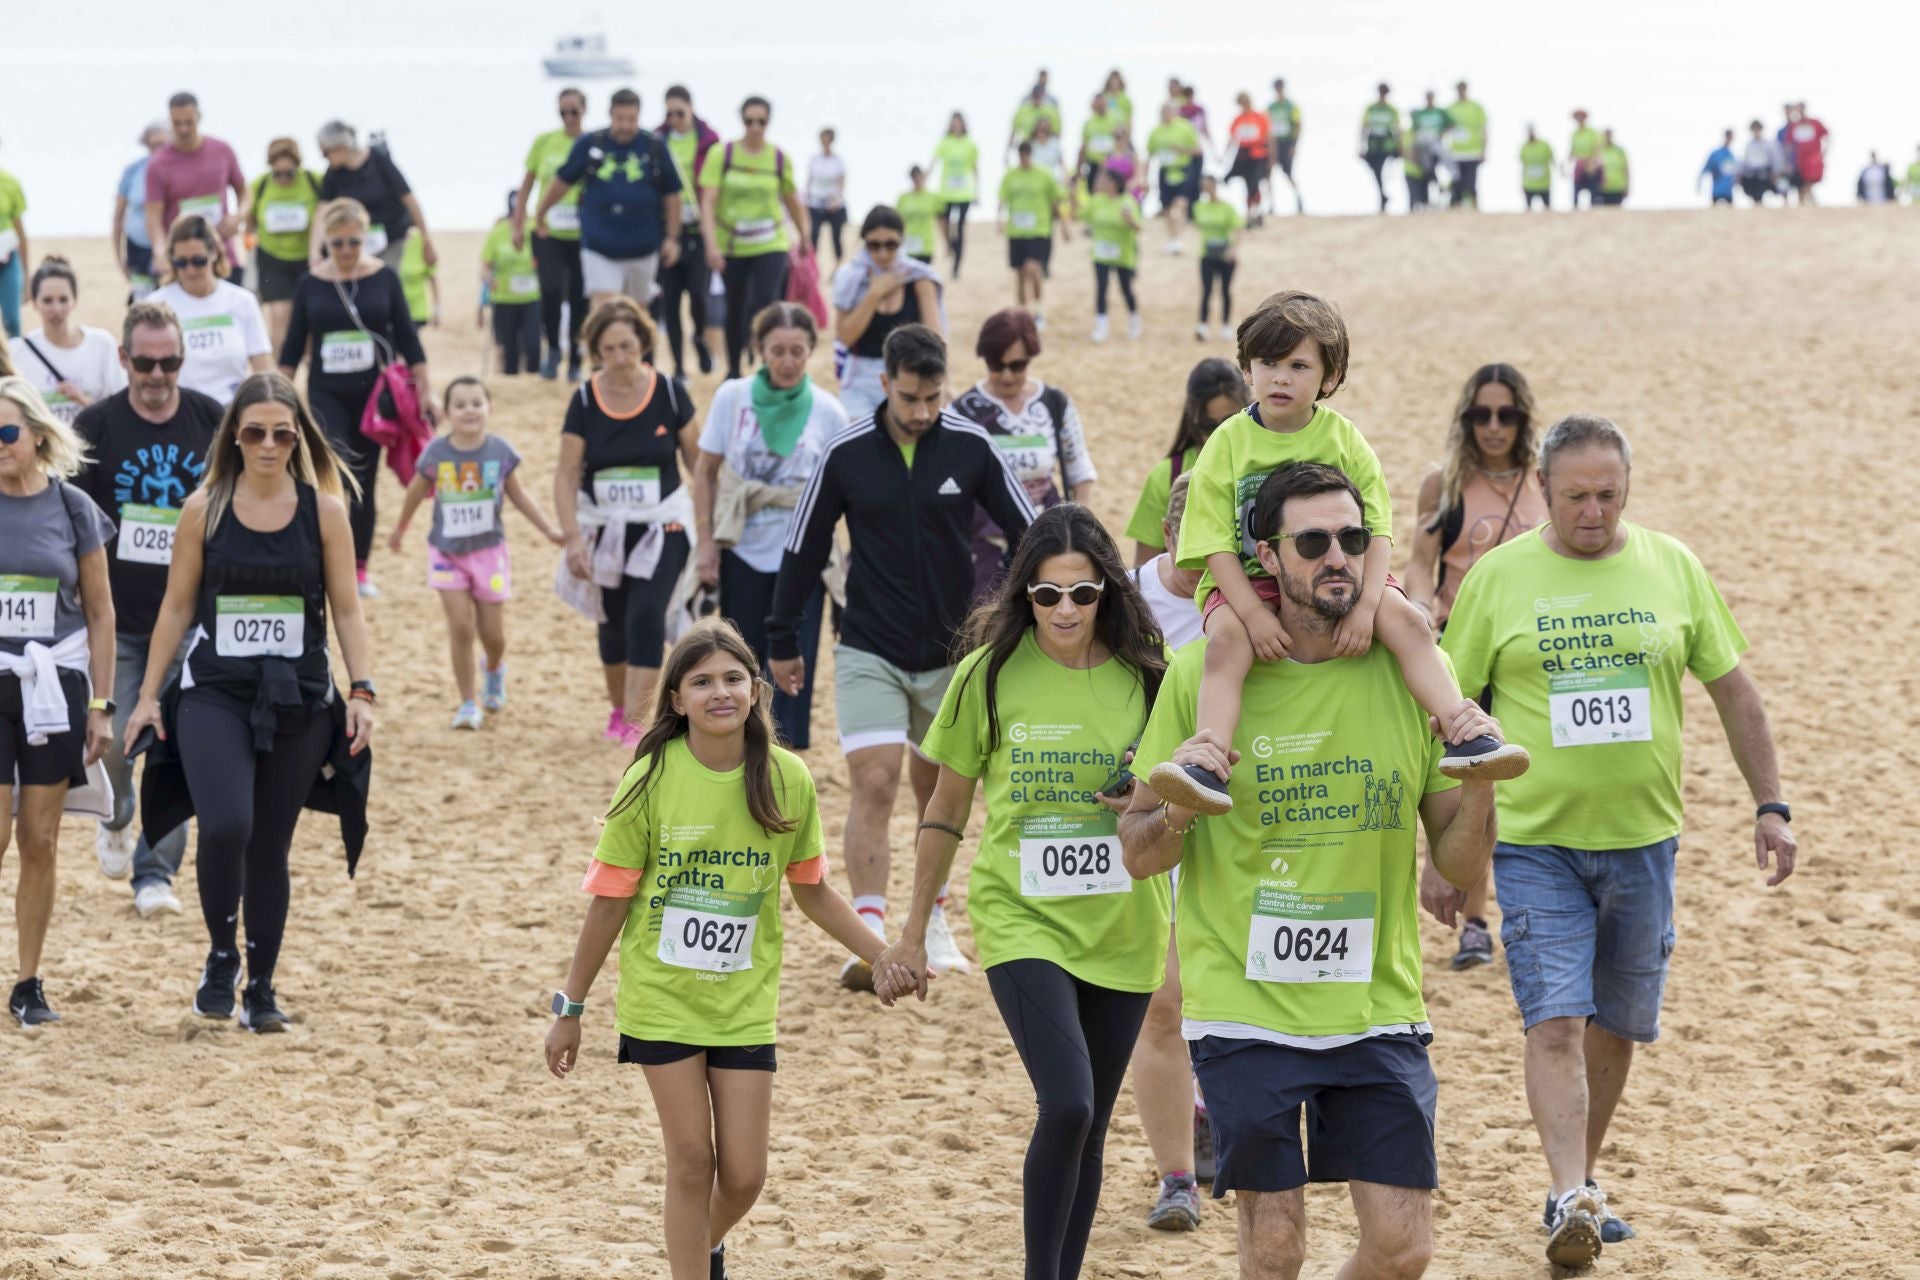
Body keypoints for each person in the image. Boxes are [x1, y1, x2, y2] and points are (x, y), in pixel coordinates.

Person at [1121, 460, 1502, 1280]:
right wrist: (1184, 801)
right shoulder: (1202, 675)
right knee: (1275, 1249)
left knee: (1404, 1249)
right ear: (1267, 556)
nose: (1338, 557)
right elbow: (1138, 850)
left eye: (1353, 540)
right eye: (1314, 541)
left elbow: (1459, 863)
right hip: (1244, 1006)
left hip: (1376, 1002)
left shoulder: (1410, 677)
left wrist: (1477, 793)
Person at [1435, 413, 1796, 1268]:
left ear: (1626, 491)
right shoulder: (1499, 578)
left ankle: (1582, 1180)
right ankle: (1569, 1190)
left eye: (1608, 496)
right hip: (1535, 843)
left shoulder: (1672, 566)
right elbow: (1445, 712)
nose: (1592, 513)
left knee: (1618, 1028)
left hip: (1645, 842)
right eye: (1575, 498)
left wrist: (1770, 805)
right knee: (1555, 1019)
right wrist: (1447, 852)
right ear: (1545, 492)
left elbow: (1735, 693)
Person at [875, 504, 1172, 1278]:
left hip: (1126, 920)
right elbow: (945, 809)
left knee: (1094, 1127)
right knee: (1067, 1103)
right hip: (1021, 915)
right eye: (1047, 596)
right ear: (1024, 596)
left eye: (1082, 593)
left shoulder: (1149, 675)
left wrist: (1151, 794)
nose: (1066, 610)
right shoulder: (990, 672)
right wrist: (911, 932)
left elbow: (1183, 798)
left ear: (1108, 589)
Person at [543, 616, 884, 1280]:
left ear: (756, 690)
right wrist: (571, 1009)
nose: (719, 692)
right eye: (701, 682)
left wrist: (884, 952)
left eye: (733, 678)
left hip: (743, 1003)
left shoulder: (787, 779)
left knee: (747, 1175)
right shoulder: (647, 780)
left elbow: (813, 891)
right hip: (662, 1000)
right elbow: (609, 900)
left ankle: (699, 1250)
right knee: (693, 1159)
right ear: (676, 700)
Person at [1145, 289, 1525, 821]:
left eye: (1298, 365)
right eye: (1268, 363)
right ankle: (1207, 761)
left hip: (1340, 570)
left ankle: (1463, 730)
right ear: (1247, 370)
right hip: (1246, 580)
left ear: (1329, 376)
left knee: (1413, 627)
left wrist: (1369, 607)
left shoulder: (1343, 437)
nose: (1280, 377)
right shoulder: (1227, 443)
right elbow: (1210, 543)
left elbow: (1378, 531)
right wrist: (1254, 615)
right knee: (1224, 647)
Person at [767, 324, 1036, 990]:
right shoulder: (847, 452)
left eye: (933, 398)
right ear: (884, 383)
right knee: (876, 782)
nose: (921, 412)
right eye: (910, 397)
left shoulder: (971, 446)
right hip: (869, 646)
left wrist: (1033, 615)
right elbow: (803, 547)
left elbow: (1033, 531)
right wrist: (780, 638)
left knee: (935, 789)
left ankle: (931, 917)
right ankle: (870, 934)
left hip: (953, 653)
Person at [123, 371, 375, 1034]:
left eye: (282, 433)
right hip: (215, 693)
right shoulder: (203, 508)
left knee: (269, 846)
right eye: (256, 431)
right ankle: (222, 954)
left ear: (298, 438)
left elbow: (347, 610)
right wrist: (148, 697)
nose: (269, 444)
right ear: (235, 434)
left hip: (298, 697)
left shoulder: (324, 511)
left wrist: (363, 689)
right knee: (227, 823)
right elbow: (176, 607)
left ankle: (261, 988)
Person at [70, 302, 221, 918]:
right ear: (125, 359)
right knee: (110, 747)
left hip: (190, 625)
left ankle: (154, 874)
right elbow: (67, 520)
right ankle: (118, 814)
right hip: (119, 623)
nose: (159, 375)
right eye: (147, 363)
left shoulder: (212, 421)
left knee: (171, 747)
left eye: (171, 362)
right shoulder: (96, 427)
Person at [1402, 364, 1548, 969]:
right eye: (1481, 415)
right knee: (1473, 788)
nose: (1493, 427)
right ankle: (1476, 922)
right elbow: (1420, 560)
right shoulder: (1446, 484)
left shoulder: (1545, 481)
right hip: (1462, 657)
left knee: (1531, 784)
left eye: (1506, 414)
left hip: (1529, 654)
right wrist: (1418, 618)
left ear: (1524, 419)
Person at [0, 377, 117, 1026]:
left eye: (6, 432)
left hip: (55, 683)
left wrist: (102, 703)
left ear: (38, 435)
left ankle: (27, 983)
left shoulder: (74, 510)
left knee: (39, 838)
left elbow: (101, 613)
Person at [691, 302, 847, 751]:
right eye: (777, 350)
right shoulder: (732, 397)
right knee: (738, 662)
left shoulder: (828, 411)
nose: (787, 362)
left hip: (805, 555)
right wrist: (706, 542)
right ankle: (741, 749)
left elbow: (843, 491)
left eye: (798, 351)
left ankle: (788, 757)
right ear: (760, 349)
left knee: (796, 664)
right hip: (742, 547)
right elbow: (705, 470)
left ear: (811, 351)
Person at [556, 298, 698, 744]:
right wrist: (574, 540)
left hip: (664, 523)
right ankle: (620, 711)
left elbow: (701, 467)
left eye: (627, 346)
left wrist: (712, 530)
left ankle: (640, 725)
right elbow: (564, 476)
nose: (620, 357)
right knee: (612, 621)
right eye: (609, 349)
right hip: (604, 526)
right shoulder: (583, 399)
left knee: (646, 614)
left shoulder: (671, 393)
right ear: (596, 352)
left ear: (643, 343)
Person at [279, 198, 433, 596]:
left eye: (353, 242)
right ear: (327, 242)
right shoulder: (310, 282)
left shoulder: (384, 278)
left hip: (373, 397)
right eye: (337, 243)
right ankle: (324, 560)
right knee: (333, 471)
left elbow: (409, 339)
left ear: (365, 240)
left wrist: (425, 389)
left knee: (364, 479)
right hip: (326, 392)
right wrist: (279, 396)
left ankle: (359, 569)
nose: (346, 251)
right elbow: (293, 346)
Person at [388, 377, 562, 729]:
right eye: (460, 405)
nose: (469, 410)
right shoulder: (436, 453)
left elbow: (519, 495)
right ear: (446, 412)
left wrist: (548, 530)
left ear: (489, 408)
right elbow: (415, 492)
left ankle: (494, 670)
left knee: (493, 635)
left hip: (489, 554)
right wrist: (400, 528)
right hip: (446, 553)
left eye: (476, 403)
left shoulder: (500, 451)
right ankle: (468, 702)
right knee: (461, 628)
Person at [950, 307, 1095, 597]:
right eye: (995, 364)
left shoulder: (1054, 404)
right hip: (986, 548)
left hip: (1048, 541)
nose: (1005, 375)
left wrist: (1080, 534)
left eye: (1016, 365)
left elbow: (1079, 470)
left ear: (1030, 358)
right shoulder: (963, 411)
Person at [535, 87, 682, 317]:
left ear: (639, 116)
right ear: (610, 115)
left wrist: (672, 238)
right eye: (620, 119)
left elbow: (673, 194)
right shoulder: (590, 144)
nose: (625, 125)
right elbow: (562, 181)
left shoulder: (654, 146)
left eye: (631, 119)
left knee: (637, 314)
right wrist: (540, 212)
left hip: (643, 248)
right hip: (599, 247)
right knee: (604, 312)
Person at [699, 97, 811, 381]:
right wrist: (711, 245)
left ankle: (767, 365)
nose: (755, 127)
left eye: (761, 121)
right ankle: (734, 368)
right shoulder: (722, 155)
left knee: (767, 303)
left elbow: (791, 200)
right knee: (734, 307)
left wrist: (805, 234)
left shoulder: (778, 158)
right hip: (733, 244)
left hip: (770, 242)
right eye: (749, 120)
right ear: (742, 121)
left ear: (768, 123)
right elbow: (708, 203)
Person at [1124, 358, 1249, 566]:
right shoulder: (1166, 477)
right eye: (1209, 426)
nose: (1219, 435)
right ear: (1192, 420)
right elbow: (1145, 574)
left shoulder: (1267, 463)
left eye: (1230, 422)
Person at [831, 207, 944, 420]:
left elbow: (935, 341)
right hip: (860, 378)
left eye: (891, 245)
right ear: (864, 242)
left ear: (902, 242)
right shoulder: (851, 279)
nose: (882, 253)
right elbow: (845, 337)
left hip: (909, 376)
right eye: (874, 245)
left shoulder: (919, 279)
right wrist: (874, 294)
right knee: (860, 439)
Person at [151, 215, 273, 405]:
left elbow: (264, 368)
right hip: (179, 410)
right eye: (181, 263)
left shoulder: (243, 302)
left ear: (214, 252)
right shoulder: (157, 305)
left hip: (232, 409)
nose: (190, 270)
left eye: (198, 261)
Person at [513, 87, 590, 380]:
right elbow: (527, 185)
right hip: (547, 230)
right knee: (551, 291)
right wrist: (518, 223)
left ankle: (575, 355)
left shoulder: (591, 142)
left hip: (582, 234)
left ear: (584, 110)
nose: (569, 117)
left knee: (580, 296)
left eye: (574, 111)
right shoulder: (544, 142)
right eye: (563, 112)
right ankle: (554, 349)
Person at [145, 92, 248, 287]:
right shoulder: (158, 163)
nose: (183, 129)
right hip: (184, 263)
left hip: (222, 255)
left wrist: (238, 216)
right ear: (170, 121)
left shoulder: (222, 150)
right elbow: (153, 217)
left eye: (188, 122)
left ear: (199, 118)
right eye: (177, 123)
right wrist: (159, 251)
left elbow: (244, 191)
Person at [9, 258, 127, 426]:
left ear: (74, 300)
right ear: (35, 302)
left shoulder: (102, 344)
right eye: (47, 300)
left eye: (63, 299)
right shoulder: (18, 350)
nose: (56, 309)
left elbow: (122, 407)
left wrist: (84, 400)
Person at [655, 86, 722, 380]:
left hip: (697, 230)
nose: (674, 119)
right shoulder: (656, 140)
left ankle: (700, 338)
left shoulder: (709, 141)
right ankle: (680, 367)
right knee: (670, 302)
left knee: (698, 293)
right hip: (669, 231)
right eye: (669, 113)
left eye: (679, 113)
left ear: (692, 109)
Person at [316, 121, 433, 271]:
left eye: (326, 152)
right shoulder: (332, 174)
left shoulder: (379, 160)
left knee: (383, 281)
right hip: (354, 244)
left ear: (342, 147)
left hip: (391, 238)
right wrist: (315, 252)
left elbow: (410, 200)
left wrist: (426, 242)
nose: (324, 157)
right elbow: (322, 212)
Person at [246, 138, 323, 355]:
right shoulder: (259, 185)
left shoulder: (313, 181)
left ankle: (310, 374)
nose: (283, 179)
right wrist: (249, 249)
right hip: (273, 260)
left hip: (308, 259)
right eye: (277, 173)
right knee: (280, 322)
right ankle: (282, 378)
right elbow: (250, 225)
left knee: (311, 321)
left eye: (289, 173)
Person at [998, 142, 1068, 328]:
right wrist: (999, 220)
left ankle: (1038, 310)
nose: (1024, 158)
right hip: (1017, 231)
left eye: (1027, 154)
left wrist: (1063, 225)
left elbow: (1055, 200)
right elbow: (1003, 198)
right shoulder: (1011, 176)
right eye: (1021, 155)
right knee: (1020, 274)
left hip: (1039, 230)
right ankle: (1022, 313)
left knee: (1034, 270)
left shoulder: (1044, 175)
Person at [483, 193, 543, 375]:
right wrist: (488, 278)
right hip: (504, 298)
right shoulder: (498, 232)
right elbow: (485, 264)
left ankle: (533, 376)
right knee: (509, 348)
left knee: (533, 344)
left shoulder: (535, 228)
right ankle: (512, 378)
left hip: (532, 298)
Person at [1083, 168, 1142, 343]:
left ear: (1115, 184)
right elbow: (1080, 215)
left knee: (1125, 289)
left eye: (1106, 180)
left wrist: (1130, 220)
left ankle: (1134, 318)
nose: (1102, 183)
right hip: (1100, 253)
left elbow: (1139, 227)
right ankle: (1101, 324)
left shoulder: (1128, 202)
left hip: (1122, 253)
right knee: (1101, 288)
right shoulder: (1097, 201)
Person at [113, 124, 169, 303]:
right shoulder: (134, 171)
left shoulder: (176, 168)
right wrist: (119, 256)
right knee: (142, 300)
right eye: (153, 145)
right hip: (137, 245)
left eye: (162, 144)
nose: (158, 150)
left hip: (168, 244)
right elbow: (118, 215)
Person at [1192, 176, 1243, 342]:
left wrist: (1233, 250)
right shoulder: (1199, 207)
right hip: (1207, 254)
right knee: (1206, 290)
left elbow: (1237, 228)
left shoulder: (1227, 207)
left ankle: (1226, 324)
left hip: (1225, 255)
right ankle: (1203, 325)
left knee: (1225, 290)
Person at [933, 113, 981, 280]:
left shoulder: (970, 144)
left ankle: (956, 265)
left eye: (959, 123)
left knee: (960, 228)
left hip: (964, 192)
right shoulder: (945, 143)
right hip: (947, 192)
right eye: (954, 123)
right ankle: (949, 244)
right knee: (942, 219)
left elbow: (975, 169)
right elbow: (934, 162)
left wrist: (977, 191)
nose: (956, 126)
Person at [1148, 104, 1202, 251]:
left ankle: (1178, 239)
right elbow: (1149, 154)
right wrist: (1143, 176)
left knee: (1179, 206)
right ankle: (1173, 238)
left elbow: (1198, 150)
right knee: (1167, 209)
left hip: (1183, 171)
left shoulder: (1185, 127)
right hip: (1165, 172)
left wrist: (1181, 150)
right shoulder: (1156, 132)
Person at [1225, 93, 1271, 226]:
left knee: (1255, 184)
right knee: (1246, 184)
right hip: (1243, 156)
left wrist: (1271, 158)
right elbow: (1232, 138)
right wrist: (1225, 155)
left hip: (1258, 156)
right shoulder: (1238, 119)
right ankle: (1250, 211)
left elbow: (1268, 138)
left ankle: (1256, 211)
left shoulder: (1259, 117)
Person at [807, 128, 849, 264]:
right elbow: (810, 180)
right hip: (816, 203)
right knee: (813, 235)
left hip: (834, 205)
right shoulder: (815, 160)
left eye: (827, 138)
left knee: (836, 238)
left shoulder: (838, 161)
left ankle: (838, 266)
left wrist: (837, 199)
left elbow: (841, 182)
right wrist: (807, 198)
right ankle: (811, 266)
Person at [1445, 82, 1487, 209]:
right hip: (1456, 153)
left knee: (1471, 184)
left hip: (1472, 152)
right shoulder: (1450, 108)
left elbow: (1484, 130)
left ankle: (1474, 208)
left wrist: (1484, 150)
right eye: (1459, 89)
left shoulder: (1476, 107)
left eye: (1463, 89)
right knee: (1457, 184)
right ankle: (1454, 208)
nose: (1461, 92)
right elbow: (1445, 130)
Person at [1360, 85, 1402, 214]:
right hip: (1373, 145)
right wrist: (1361, 146)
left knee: (1380, 169)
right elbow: (1364, 126)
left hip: (1387, 145)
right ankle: (1383, 196)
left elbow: (1397, 129)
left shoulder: (1392, 110)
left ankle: (1383, 199)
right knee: (1375, 170)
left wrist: (1399, 146)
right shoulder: (1371, 108)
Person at [1266, 78, 1304, 214]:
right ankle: (1271, 204)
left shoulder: (1291, 106)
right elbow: (1267, 127)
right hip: (1273, 144)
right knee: (1268, 173)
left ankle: (1299, 198)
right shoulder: (1270, 107)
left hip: (1287, 143)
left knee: (1288, 173)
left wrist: (1294, 145)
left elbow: (1298, 125)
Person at [1409, 91, 1452, 208]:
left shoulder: (1440, 112)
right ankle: (1434, 194)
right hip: (1423, 148)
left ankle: (1442, 188)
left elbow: (1451, 125)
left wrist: (1441, 134)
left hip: (1437, 145)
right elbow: (1415, 132)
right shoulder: (1420, 114)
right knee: (1427, 172)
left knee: (1438, 168)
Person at [1078, 94, 1125, 194]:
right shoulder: (1089, 123)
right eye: (1097, 104)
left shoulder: (1115, 119)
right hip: (1094, 165)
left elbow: (1122, 138)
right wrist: (1079, 171)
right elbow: (1084, 148)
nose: (1100, 106)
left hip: (1112, 165)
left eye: (1102, 103)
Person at [897, 167, 944, 264]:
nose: (917, 180)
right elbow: (897, 221)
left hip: (926, 244)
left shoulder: (932, 197)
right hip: (908, 243)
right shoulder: (903, 198)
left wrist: (946, 241)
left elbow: (941, 219)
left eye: (919, 177)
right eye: (915, 177)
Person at [0, 160, 25, 340]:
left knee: (13, 321)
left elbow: (20, 231)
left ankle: (12, 366)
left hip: (7, 257)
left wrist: (27, 270)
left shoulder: (9, 182)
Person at [1788, 102, 1830, 204]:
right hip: (1799, 162)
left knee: (1808, 184)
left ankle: (1810, 204)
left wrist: (1824, 152)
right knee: (1802, 185)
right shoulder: (1794, 126)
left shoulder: (1815, 123)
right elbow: (1789, 144)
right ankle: (1805, 205)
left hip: (1813, 160)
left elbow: (1827, 136)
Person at [1008, 82, 1064, 158]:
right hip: (1026, 148)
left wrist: (1053, 148)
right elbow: (1014, 131)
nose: (1037, 98)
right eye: (1035, 96)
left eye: (1039, 96)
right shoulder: (1022, 111)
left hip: (1044, 146)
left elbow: (1057, 132)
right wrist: (1008, 150)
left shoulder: (1050, 111)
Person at [1567, 110, 1602, 209]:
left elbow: (1597, 148)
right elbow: (1572, 151)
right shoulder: (1574, 134)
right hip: (1579, 166)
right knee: (1576, 190)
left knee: (1593, 190)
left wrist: (1592, 163)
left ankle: (1593, 210)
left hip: (1590, 165)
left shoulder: (1592, 132)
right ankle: (1575, 211)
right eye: (1577, 117)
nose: (1579, 119)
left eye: (1581, 117)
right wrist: (1566, 164)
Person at [1740, 121, 1780, 205]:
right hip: (1751, 175)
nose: (1756, 131)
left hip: (1764, 174)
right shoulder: (1749, 145)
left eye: (1757, 129)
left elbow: (1773, 159)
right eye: (1754, 129)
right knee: (1753, 195)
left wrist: (1775, 173)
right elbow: (1745, 161)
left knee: (1761, 193)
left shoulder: (1768, 144)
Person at [1521, 126, 1555, 210]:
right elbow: (1523, 163)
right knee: (1528, 208)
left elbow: (1552, 158)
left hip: (1544, 183)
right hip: (1529, 183)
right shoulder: (1524, 147)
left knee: (1547, 207)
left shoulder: (1544, 145)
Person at [1029, 116, 1068, 187]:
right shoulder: (1030, 144)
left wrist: (1065, 179)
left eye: (1045, 129)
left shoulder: (1055, 143)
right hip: (1034, 182)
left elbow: (1062, 164)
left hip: (1052, 181)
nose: (1043, 131)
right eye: (1041, 128)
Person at [1597, 130, 1630, 207]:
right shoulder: (1598, 150)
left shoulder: (1619, 151)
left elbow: (1625, 169)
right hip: (1602, 189)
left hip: (1618, 188)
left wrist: (1627, 187)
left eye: (1609, 136)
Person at [1101, 70, 1135, 135]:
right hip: (1105, 131)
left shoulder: (1126, 100)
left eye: (1116, 79)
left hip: (1121, 132)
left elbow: (1129, 120)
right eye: (1112, 79)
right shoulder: (1104, 98)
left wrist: (1128, 134)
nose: (1114, 82)